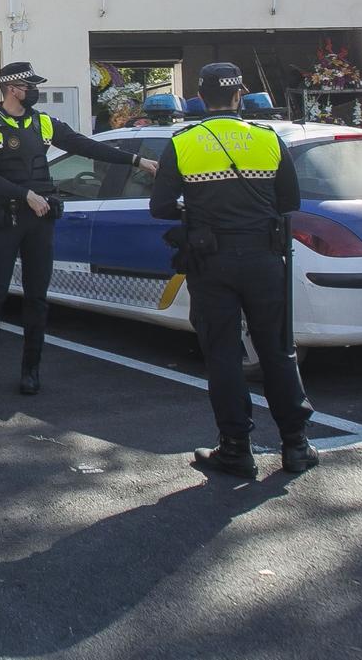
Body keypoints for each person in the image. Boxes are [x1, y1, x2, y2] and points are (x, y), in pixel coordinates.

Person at [149, 61, 317, 478]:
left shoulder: (185, 141)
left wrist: (197, 207)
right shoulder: (266, 137)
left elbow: (160, 207)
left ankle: (236, 449)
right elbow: (290, 201)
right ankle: (295, 445)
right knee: (278, 351)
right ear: (240, 94)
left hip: (212, 261)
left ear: (201, 97)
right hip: (263, 257)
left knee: (223, 354)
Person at [0, 62, 158, 400]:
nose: (34, 91)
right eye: (30, 85)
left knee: (37, 298)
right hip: (7, 220)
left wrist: (135, 161)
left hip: (39, 222)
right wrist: (25, 194)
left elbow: (85, 146)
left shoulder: (42, 123)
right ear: (13, 89)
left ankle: (30, 371)